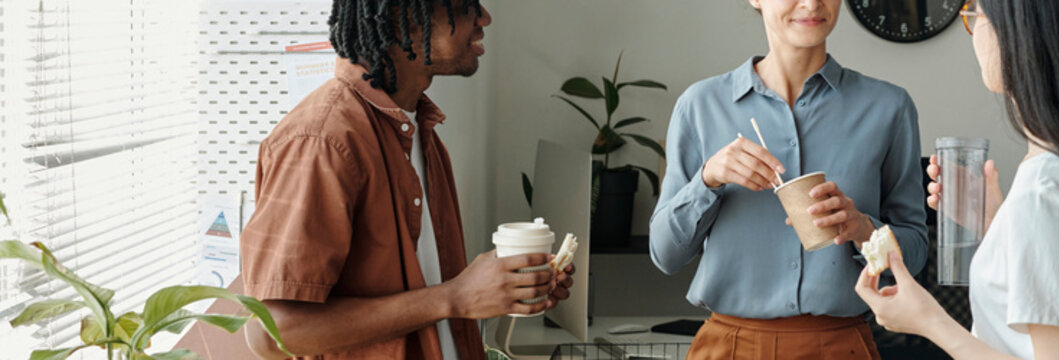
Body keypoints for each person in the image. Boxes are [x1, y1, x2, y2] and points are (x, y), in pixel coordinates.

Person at [855, 0, 1059, 359]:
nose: (974, 34)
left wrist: (929, 322)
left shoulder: (1044, 195)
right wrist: (996, 224)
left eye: (975, 15)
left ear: (1021, 34)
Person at [240, 1, 575, 359]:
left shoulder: (422, 132)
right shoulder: (322, 141)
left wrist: (498, 288)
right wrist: (454, 298)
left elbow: (433, 299)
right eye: (463, 8)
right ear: (402, 19)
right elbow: (273, 329)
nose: (484, 19)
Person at [647, 0, 927, 358]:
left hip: (841, 348)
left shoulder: (889, 107)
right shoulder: (700, 105)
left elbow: (915, 253)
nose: (811, 3)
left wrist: (862, 230)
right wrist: (708, 180)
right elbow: (665, 255)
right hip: (727, 348)